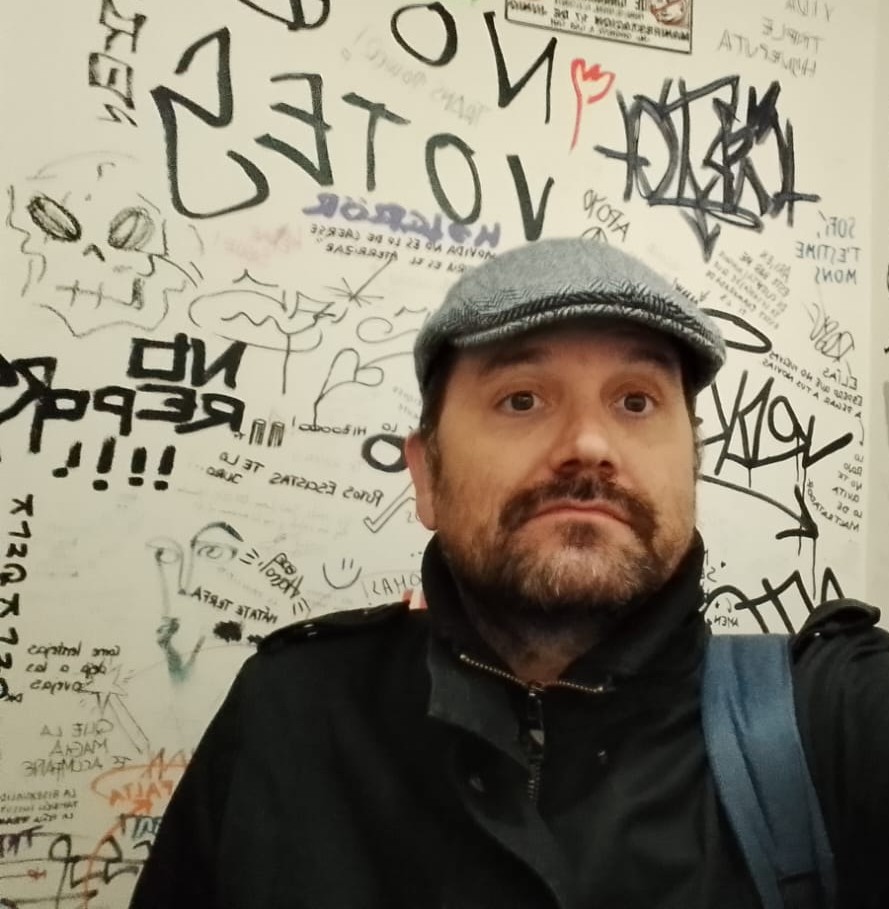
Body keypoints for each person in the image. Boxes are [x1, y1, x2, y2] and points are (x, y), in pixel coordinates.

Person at [129, 239, 889, 909]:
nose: (589, 444)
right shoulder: (290, 712)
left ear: (691, 468)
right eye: (521, 399)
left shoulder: (826, 720)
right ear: (426, 477)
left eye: (636, 401)